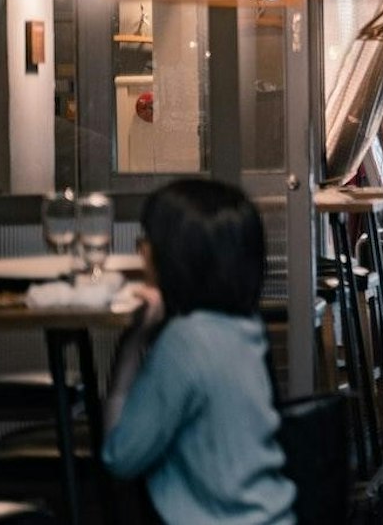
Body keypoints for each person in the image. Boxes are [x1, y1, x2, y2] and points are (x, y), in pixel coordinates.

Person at [102, 180, 296, 525]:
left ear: (175, 255)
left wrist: (132, 342)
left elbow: (120, 456)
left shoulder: (185, 342)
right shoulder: (245, 329)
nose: (141, 249)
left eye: (147, 239)